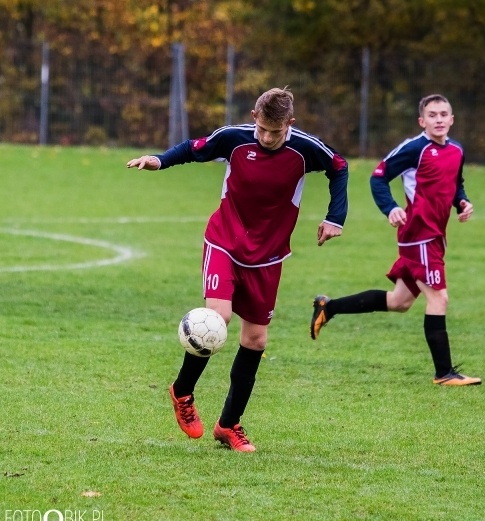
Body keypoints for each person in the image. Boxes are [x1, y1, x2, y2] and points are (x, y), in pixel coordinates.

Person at [126, 88, 349, 451]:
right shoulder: (234, 138)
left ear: (289, 125)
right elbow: (194, 149)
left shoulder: (305, 148)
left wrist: (334, 217)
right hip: (224, 242)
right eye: (261, 128)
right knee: (218, 318)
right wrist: (159, 159)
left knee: (256, 340)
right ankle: (182, 392)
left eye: (274, 132)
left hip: (268, 255)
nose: (265, 137)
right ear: (254, 116)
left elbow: (339, 167)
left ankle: (228, 425)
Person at [308, 94, 481, 386]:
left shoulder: (456, 150)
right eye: (432, 115)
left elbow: (455, 185)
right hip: (418, 234)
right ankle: (444, 373)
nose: (438, 119)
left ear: (452, 119)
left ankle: (329, 306)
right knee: (439, 297)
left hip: (436, 235)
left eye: (443, 114)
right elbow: (378, 177)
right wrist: (391, 208)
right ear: (421, 120)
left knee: (399, 301)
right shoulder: (414, 149)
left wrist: (462, 203)